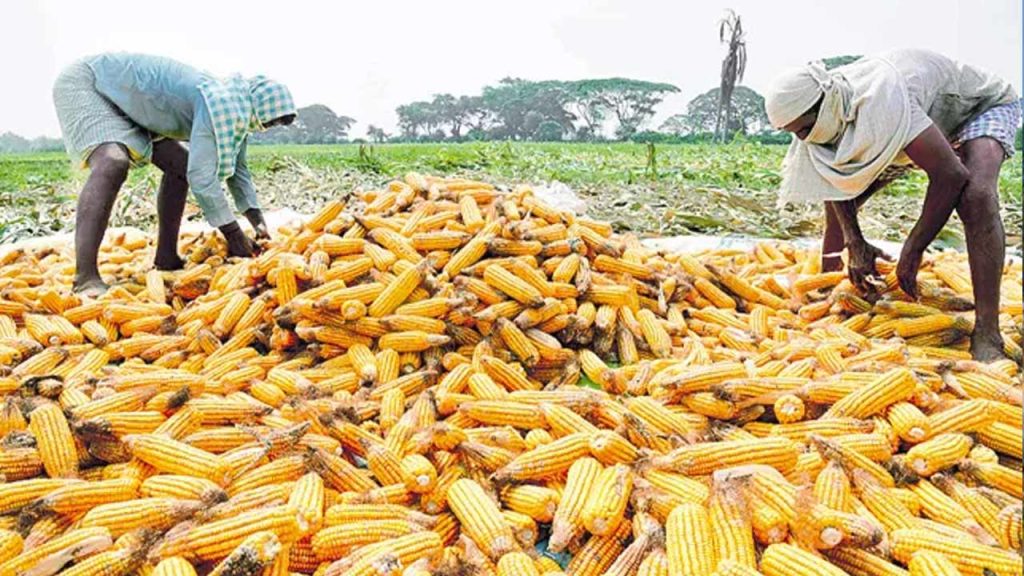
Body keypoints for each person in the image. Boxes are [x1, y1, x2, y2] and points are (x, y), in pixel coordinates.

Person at [765, 49, 1020, 361]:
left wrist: (913, 249)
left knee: (975, 197)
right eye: (796, 133)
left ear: (824, 107)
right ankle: (829, 282)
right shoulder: (818, 120)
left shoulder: (883, 99)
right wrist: (853, 244)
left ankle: (987, 332)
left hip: (978, 108)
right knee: (847, 197)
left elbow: (950, 175)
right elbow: (834, 182)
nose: (803, 139)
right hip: (918, 123)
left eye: (804, 130)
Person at [53, 52, 297, 296]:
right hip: (91, 84)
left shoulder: (239, 109)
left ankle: (166, 256)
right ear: (261, 109)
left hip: (135, 104)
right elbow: (201, 176)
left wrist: (259, 225)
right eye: (270, 123)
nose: (265, 129)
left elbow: (239, 172)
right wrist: (233, 234)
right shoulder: (221, 104)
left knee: (179, 167)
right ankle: (85, 277)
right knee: (113, 162)